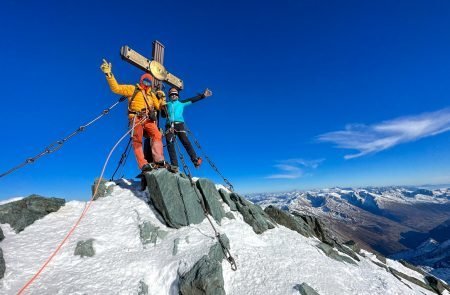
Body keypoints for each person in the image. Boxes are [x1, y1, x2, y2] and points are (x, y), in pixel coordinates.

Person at [100, 59, 167, 172]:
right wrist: (109, 74)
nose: (146, 83)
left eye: (148, 82)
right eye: (144, 81)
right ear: (141, 80)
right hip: (136, 118)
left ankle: (159, 160)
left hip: (149, 119)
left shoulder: (151, 94)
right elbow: (116, 88)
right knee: (137, 140)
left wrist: (162, 98)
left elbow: (159, 106)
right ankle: (143, 164)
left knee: (157, 134)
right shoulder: (133, 89)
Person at [163, 87, 212, 168]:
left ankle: (195, 160)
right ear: (169, 95)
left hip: (179, 125)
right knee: (170, 144)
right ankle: (174, 165)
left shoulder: (181, 103)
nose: (173, 95)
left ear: (178, 95)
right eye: (172, 94)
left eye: (175, 94)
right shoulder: (166, 104)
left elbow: (192, 100)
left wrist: (203, 96)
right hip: (169, 125)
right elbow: (163, 115)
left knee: (186, 142)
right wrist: (162, 107)